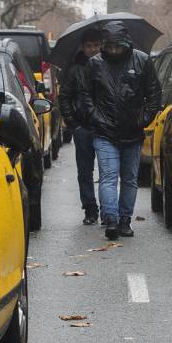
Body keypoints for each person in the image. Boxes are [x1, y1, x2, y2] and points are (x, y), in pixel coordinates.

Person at [79, 21, 162, 240]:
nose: (114, 51)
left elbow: (154, 95)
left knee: (129, 179)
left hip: (133, 133)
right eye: (110, 47)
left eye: (118, 47)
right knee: (108, 176)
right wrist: (97, 118)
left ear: (126, 44)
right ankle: (112, 220)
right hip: (104, 133)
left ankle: (125, 220)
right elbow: (86, 95)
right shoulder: (94, 64)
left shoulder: (142, 61)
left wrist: (143, 119)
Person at [60, 27, 104, 225]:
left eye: (96, 45)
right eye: (89, 46)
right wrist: (73, 124)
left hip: (105, 127)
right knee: (85, 171)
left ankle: (108, 209)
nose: (93, 49)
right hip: (83, 128)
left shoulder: (108, 66)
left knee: (107, 171)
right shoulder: (74, 69)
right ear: (83, 47)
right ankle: (90, 209)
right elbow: (64, 97)